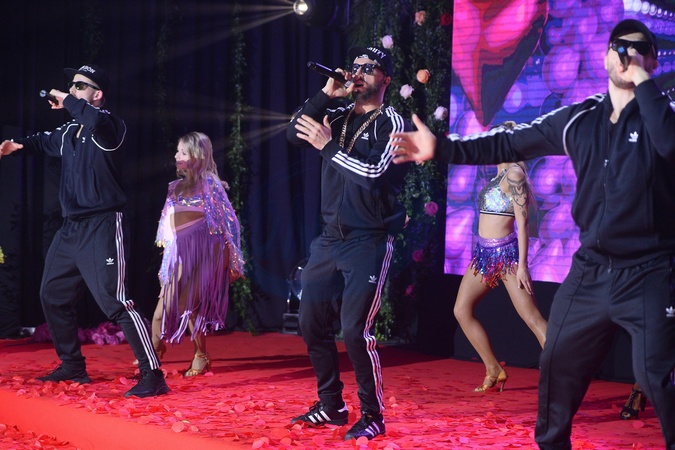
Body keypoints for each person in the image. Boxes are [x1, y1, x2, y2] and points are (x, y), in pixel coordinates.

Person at [390, 19, 675, 450]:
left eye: (639, 50)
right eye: (620, 47)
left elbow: (669, 143)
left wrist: (642, 80)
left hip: (649, 269)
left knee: (656, 375)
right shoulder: (579, 119)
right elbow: (508, 143)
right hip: (592, 269)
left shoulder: (662, 114)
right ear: (605, 57)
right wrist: (442, 149)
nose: (627, 55)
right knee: (557, 364)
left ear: (652, 60)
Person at [0, 64, 169, 398]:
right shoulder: (68, 132)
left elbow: (93, 120)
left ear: (98, 94)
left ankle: (153, 375)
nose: (73, 89)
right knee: (52, 295)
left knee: (115, 301)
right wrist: (15, 145)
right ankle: (72, 365)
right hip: (71, 229)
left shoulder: (109, 125)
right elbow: (41, 141)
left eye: (80, 85)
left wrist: (67, 100)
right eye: (72, 85)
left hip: (103, 225)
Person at [286, 45, 411, 440]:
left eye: (368, 68)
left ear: (385, 79)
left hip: (368, 239)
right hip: (329, 238)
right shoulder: (338, 115)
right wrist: (326, 94)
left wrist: (328, 147)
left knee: (355, 330)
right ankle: (332, 404)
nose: (359, 72)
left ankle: (373, 415)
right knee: (310, 323)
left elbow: (373, 174)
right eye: (355, 66)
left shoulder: (394, 123)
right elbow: (293, 133)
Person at [454, 126, 547, 392]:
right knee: (461, 310)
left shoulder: (514, 174)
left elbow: (523, 223)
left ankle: (565, 372)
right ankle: (493, 368)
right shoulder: (497, 174)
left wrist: (523, 266)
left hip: (507, 257)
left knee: (532, 318)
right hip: (484, 255)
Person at [152, 131, 244, 376]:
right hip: (180, 254)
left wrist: (233, 260)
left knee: (187, 305)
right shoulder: (174, 187)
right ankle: (156, 352)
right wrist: (168, 257)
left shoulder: (210, 184)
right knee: (169, 306)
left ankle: (188, 355)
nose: (176, 156)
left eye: (183, 152)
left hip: (205, 254)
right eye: (177, 151)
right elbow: (166, 224)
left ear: (197, 155)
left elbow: (229, 223)